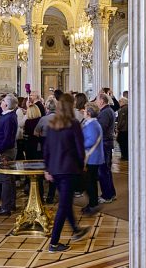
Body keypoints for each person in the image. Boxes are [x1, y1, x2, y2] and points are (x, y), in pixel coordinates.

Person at [42, 93, 90, 252]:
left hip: (55, 170)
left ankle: (76, 230)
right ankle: (54, 243)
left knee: (66, 202)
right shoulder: (73, 123)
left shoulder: (52, 124)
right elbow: (79, 148)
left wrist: (47, 169)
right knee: (63, 206)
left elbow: (46, 149)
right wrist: (82, 164)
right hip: (69, 170)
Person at [0, 94, 19, 216]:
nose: (0, 104)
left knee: (6, 180)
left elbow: (8, 138)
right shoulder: (8, 114)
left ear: (6, 105)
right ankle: (9, 204)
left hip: (5, 153)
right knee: (9, 179)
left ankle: (6, 207)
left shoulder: (9, 118)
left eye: (2, 102)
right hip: (5, 151)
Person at [77, 95, 104, 215]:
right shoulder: (90, 122)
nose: (83, 111)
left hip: (92, 157)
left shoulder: (93, 125)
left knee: (89, 181)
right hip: (91, 157)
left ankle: (93, 204)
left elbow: (91, 141)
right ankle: (92, 203)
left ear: (88, 112)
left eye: (85, 110)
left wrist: (78, 144)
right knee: (90, 181)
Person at [95, 93, 117, 203]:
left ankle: (107, 195)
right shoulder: (109, 110)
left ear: (102, 101)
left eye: (97, 100)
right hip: (107, 143)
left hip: (104, 144)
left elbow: (100, 129)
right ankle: (111, 193)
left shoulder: (105, 113)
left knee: (103, 171)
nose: (96, 102)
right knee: (106, 170)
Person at [116, 96, 129, 161]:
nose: (119, 103)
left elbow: (121, 120)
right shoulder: (128, 108)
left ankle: (125, 156)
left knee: (122, 142)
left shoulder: (122, 109)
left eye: (120, 101)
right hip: (127, 129)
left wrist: (118, 128)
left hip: (123, 129)